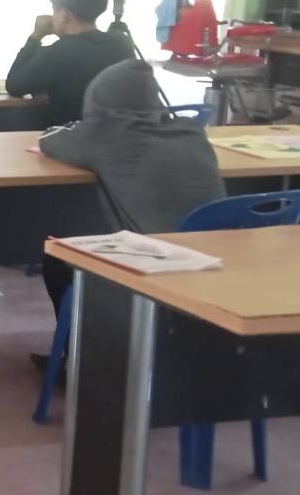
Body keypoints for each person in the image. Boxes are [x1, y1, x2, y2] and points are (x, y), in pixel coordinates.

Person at [35, 59, 223, 319]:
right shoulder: (191, 131)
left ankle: (77, 342)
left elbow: (48, 141)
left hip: (159, 260)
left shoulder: (105, 133)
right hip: (216, 254)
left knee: (57, 259)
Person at [6, 0, 135, 125]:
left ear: (64, 14)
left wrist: (35, 36)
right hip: (119, 133)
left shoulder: (56, 53)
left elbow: (14, 85)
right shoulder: (121, 43)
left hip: (72, 136)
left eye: (54, 11)